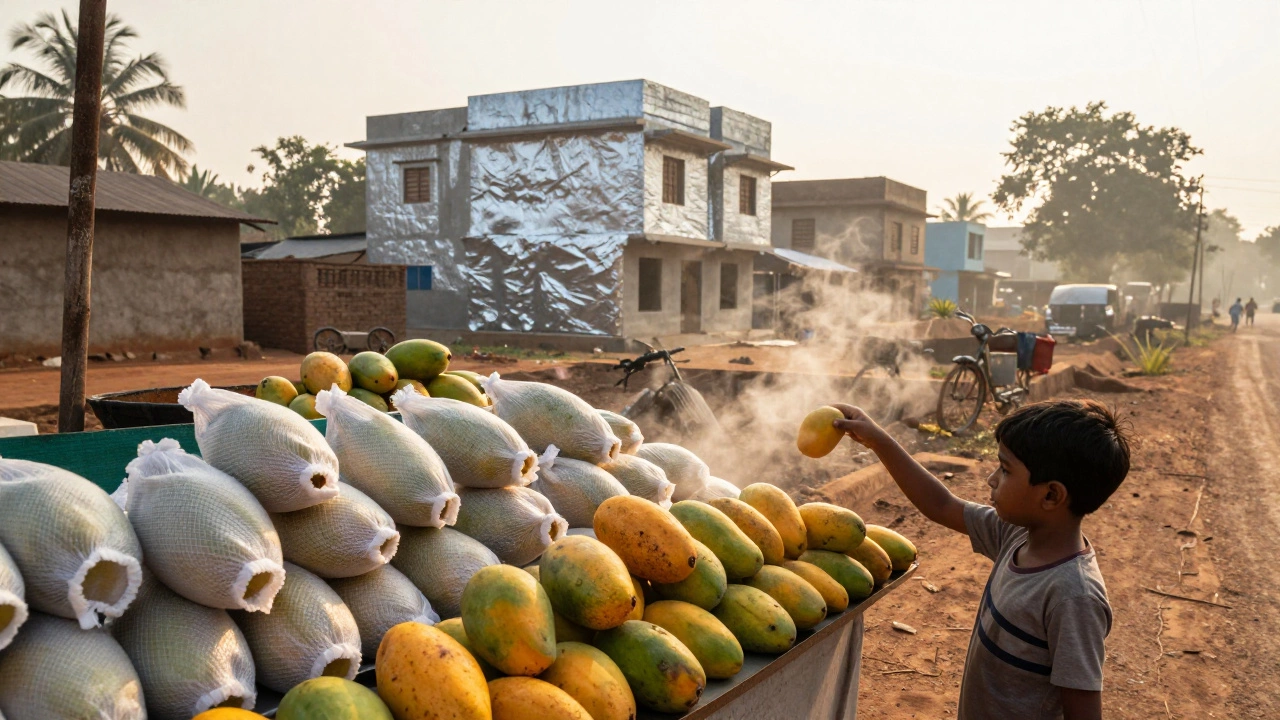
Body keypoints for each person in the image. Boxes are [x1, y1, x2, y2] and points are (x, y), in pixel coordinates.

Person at [831, 400, 1130, 720]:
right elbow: (941, 504)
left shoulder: (1073, 597)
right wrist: (879, 440)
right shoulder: (1016, 535)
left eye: (1005, 469)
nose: (991, 478)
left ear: (1051, 495)